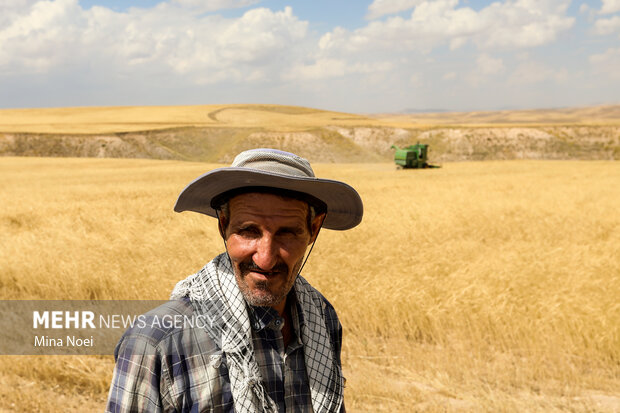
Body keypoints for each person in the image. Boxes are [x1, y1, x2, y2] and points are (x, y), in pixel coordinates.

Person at [106, 148, 363, 413]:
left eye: (287, 233)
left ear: (314, 229)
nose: (265, 259)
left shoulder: (321, 317)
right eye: (248, 231)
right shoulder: (156, 342)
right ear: (223, 225)